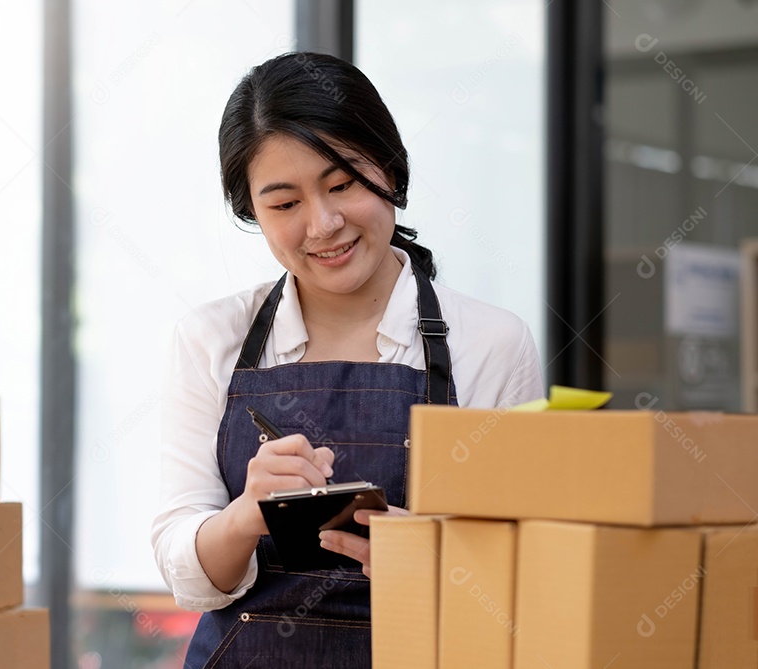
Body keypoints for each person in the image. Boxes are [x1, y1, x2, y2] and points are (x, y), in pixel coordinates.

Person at [151, 52, 543, 668]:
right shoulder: (210, 338)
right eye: (284, 205)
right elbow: (184, 569)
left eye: (343, 184)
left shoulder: (490, 342)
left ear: (389, 167)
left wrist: (427, 557)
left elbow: (527, 577)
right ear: (254, 212)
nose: (323, 224)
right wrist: (245, 517)